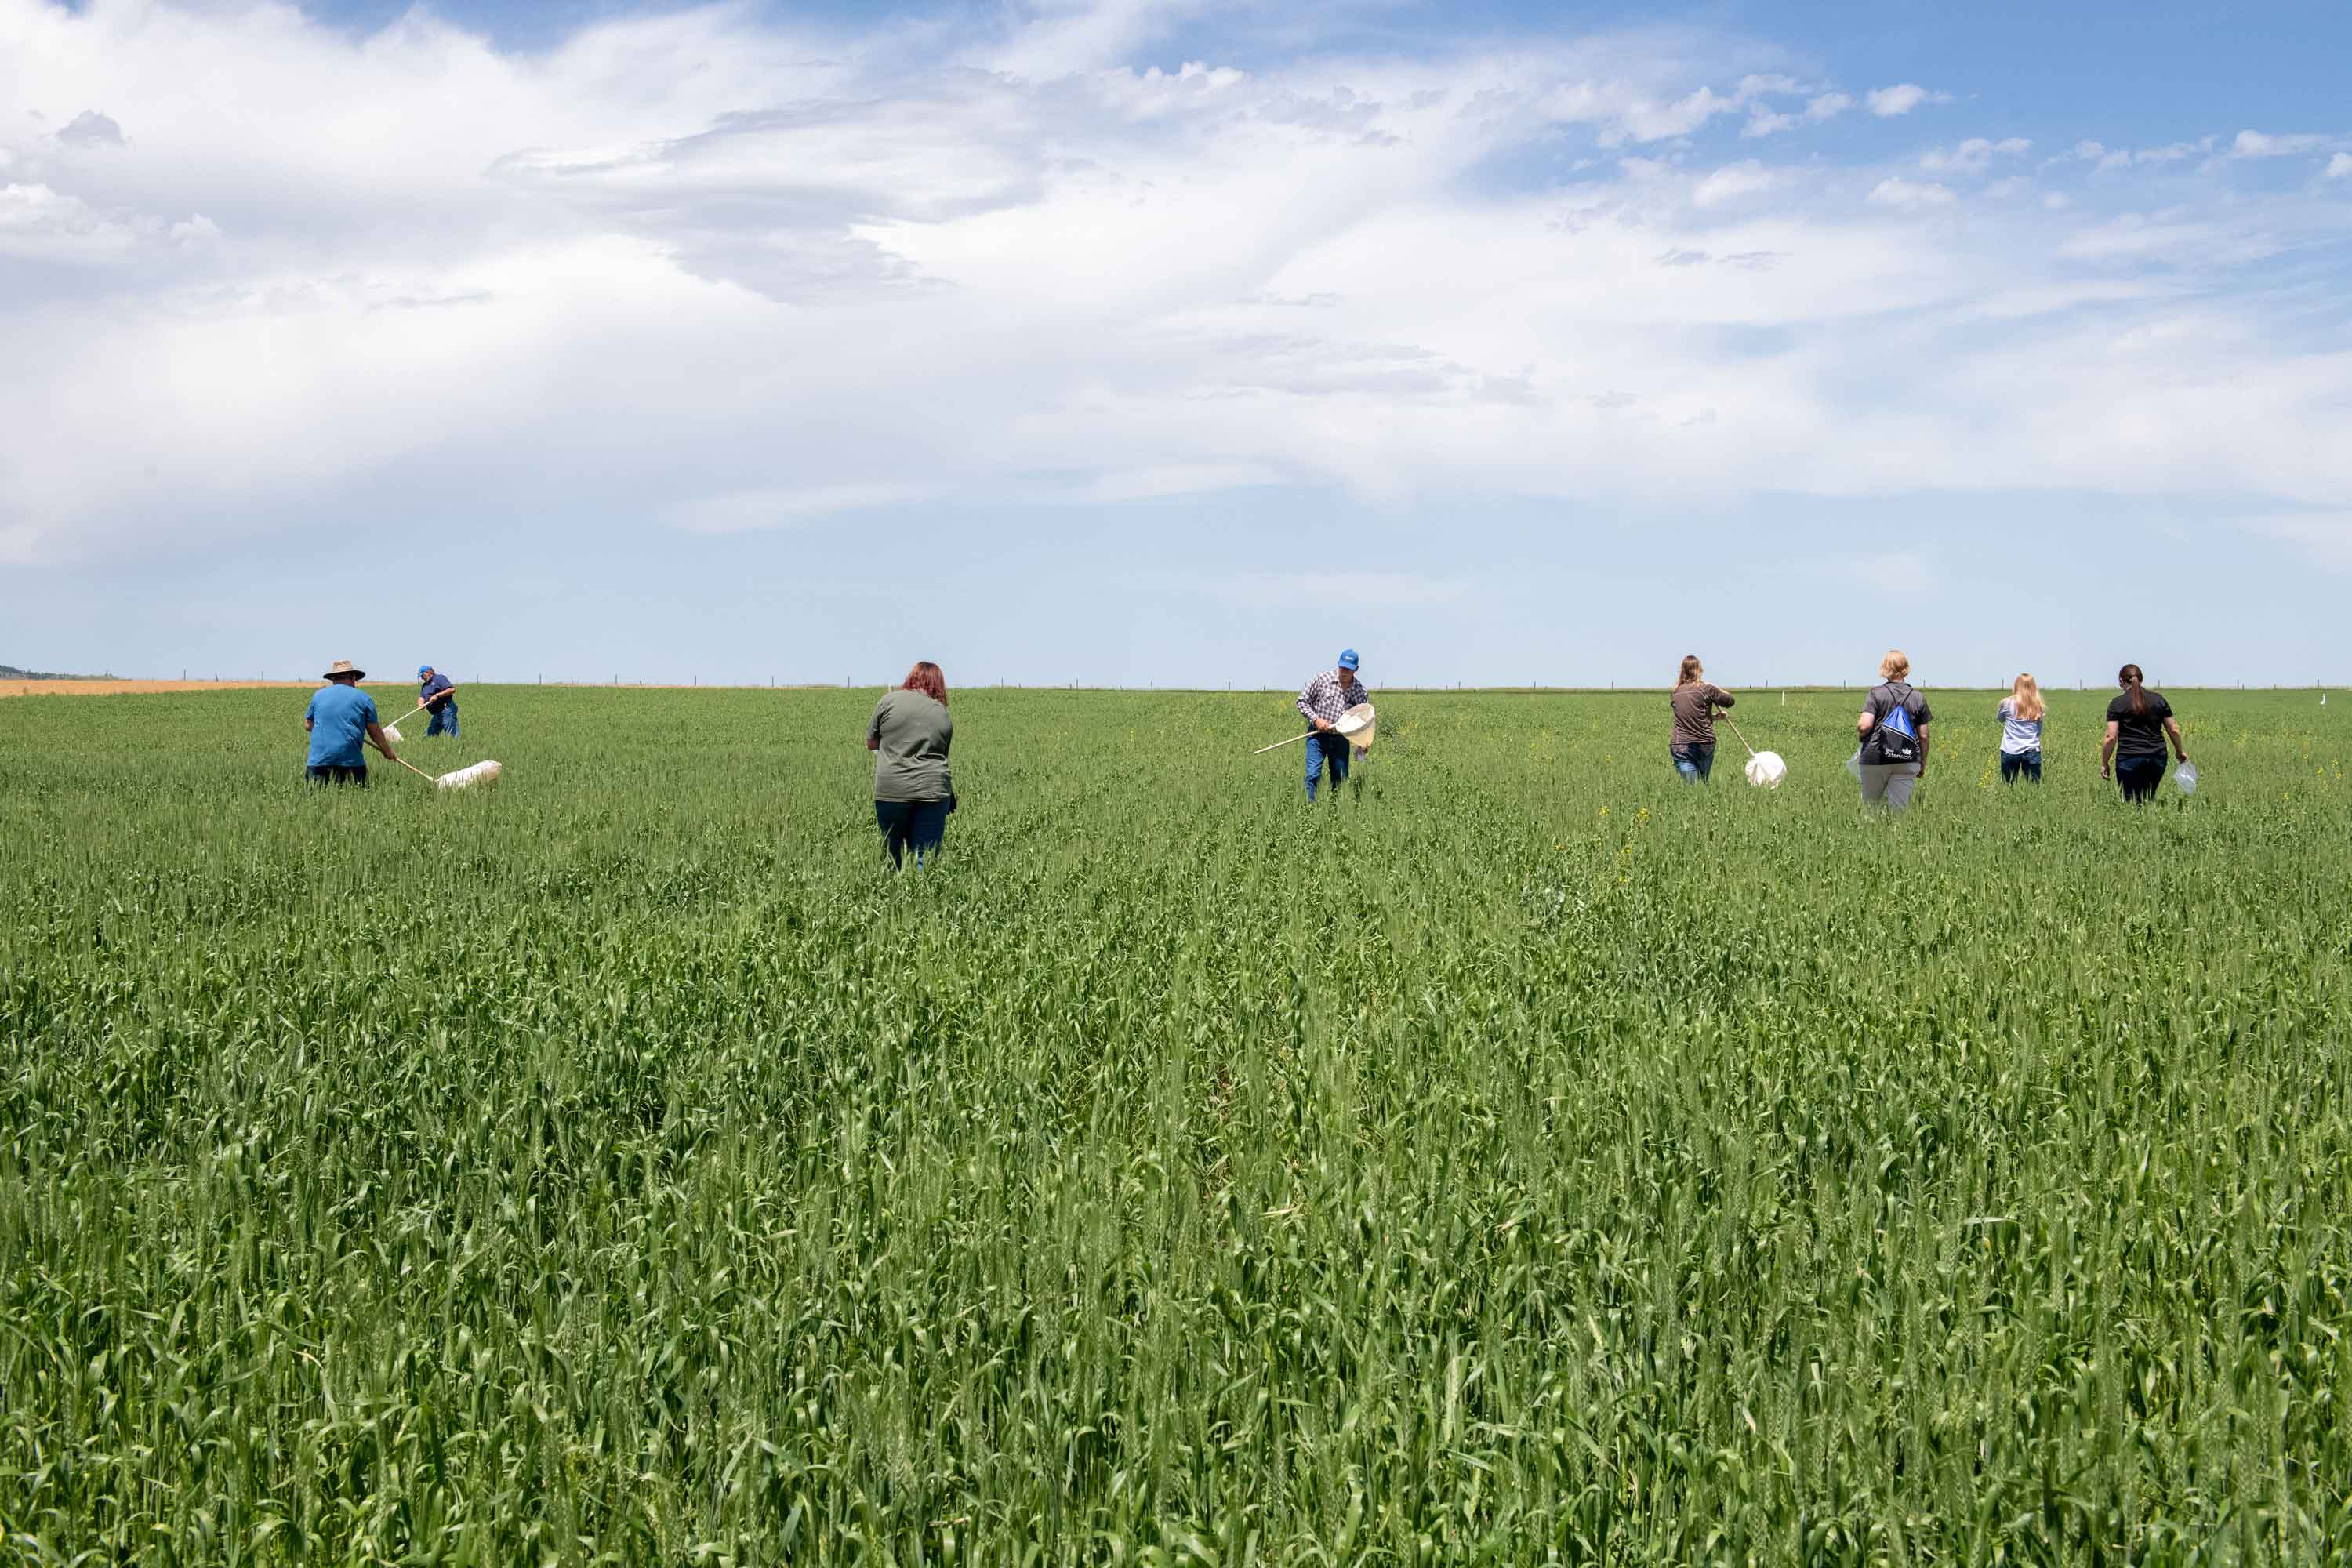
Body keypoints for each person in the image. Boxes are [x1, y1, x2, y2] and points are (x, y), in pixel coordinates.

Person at [867, 661, 955, 869]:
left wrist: (892, 745)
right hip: (933, 791)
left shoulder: (888, 701)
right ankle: (924, 897)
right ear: (938, 684)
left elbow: (871, 743)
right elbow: (942, 755)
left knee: (893, 853)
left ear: (912, 678)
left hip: (891, 790)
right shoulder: (942, 713)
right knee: (925, 857)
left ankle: (894, 897)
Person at [1853, 649, 1931, 811]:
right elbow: (1923, 736)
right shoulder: (1918, 697)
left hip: (1875, 758)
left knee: (1871, 808)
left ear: (1885, 669)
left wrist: (1861, 733)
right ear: (1906, 669)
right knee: (1899, 812)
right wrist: (1922, 764)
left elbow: (1865, 725)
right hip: (1907, 759)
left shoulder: (1876, 694)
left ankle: (1872, 834)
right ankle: (1896, 834)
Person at [2101, 663, 2188, 803]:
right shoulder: (2159, 699)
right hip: (2157, 758)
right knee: (2148, 798)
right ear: (2141, 679)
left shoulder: (2116, 703)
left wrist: (2105, 763)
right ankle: (2150, 821)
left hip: (2128, 758)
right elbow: (2173, 729)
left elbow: (2111, 737)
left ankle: (2136, 823)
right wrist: (2179, 751)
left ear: (2122, 682)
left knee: (2130, 802)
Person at [304, 659, 397, 786]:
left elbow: (308, 725)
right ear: (353, 677)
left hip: (318, 762)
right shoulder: (364, 698)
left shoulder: (318, 695)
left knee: (315, 801)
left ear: (333, 679)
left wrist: (331, 728)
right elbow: (375, 732)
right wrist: (387, 751)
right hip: (350, 762)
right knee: (357, 799)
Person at [1296, 648, 1370, 801]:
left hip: (1340, 739)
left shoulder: (1360, 691)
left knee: (1340, 779)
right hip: (1317, 736)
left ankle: (1336, 813)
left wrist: (1362, 743)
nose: (1344, 671)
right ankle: (1310, 810)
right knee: (1313, 775)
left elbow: (1363, 720)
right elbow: (1302, 702)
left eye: (1349, 669)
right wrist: (1316, 720)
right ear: (1338, 664)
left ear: (1356, 669)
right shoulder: (1321, 679)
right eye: (1342, 667)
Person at [1668, 655, 1733, 783]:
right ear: (1699, 670)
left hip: (1680, 745)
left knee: (1692, 786)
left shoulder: (1675, 692)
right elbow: (1730, 701)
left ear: (1683, 671)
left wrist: (1713, 718)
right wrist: (1715, 687)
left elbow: (1689, 715)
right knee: (1701, 784)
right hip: (1704, 743)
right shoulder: (1706, 689)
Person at [1997, 673, 2045, 783]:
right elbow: (2039, 732)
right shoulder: (2038, 705)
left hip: (2010, 750)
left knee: (2007, 786)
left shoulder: (2006, 703)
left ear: (2016, 686)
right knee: (2034, 788)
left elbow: (2000, 719)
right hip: (2032, 750)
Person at [417, 665, 459, 739]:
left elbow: (451, 690)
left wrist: (437, 695)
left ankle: (454, 749)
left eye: (422, 676)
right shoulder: (425, 685)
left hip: (447, 710)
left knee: (451, 737)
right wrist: (420, 704)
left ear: (428, 672)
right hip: (437, 714)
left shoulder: (439, 678)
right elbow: (422, 697)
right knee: (429, 737)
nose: (422, 678)